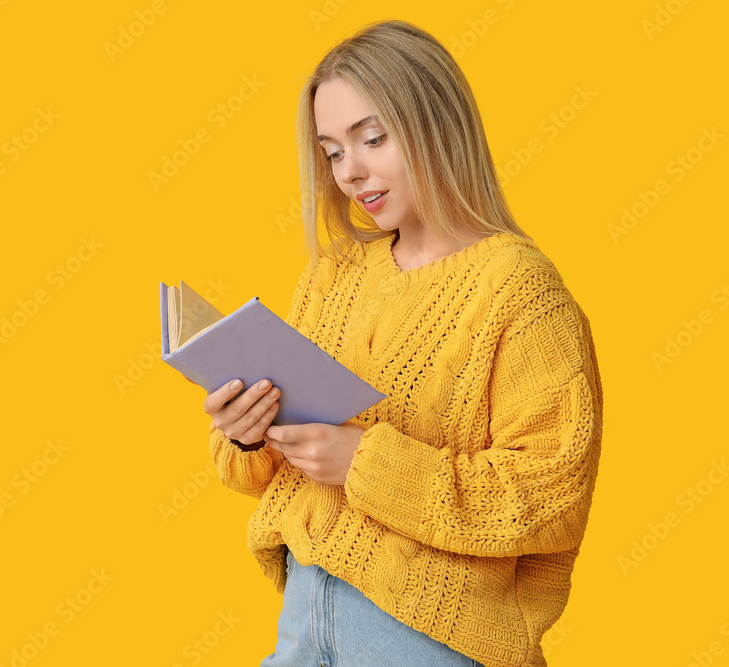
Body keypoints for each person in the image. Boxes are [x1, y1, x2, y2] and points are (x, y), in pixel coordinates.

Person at [200, 19, 603, 667]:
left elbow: (545, 497)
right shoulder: (333, 275)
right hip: (306, 615)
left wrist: (365, 461)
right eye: (332, 151)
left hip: (431, 638)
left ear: (438, 126)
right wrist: (247, 432)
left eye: (372, 138)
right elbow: (275, 465)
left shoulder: (518, 288)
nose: (350, 171)